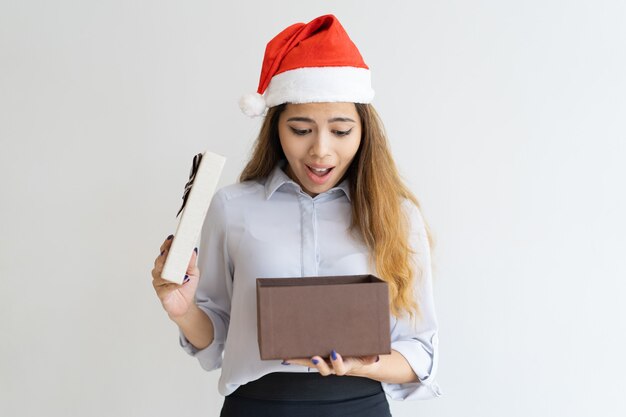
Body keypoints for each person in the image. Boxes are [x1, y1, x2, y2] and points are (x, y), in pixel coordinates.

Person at [151, 14, 442, 417]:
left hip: (359, 406)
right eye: (301, 130)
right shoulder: (232, 207)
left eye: (340, 131)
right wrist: (182, 310)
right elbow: (216, 342)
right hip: (257, 408)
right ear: (276, 129)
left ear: (363, 132)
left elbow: (421, 353)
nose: (320, 151)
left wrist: (363, 364)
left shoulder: (396, 216)